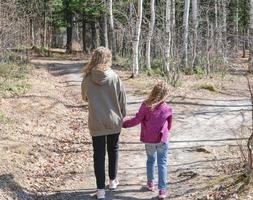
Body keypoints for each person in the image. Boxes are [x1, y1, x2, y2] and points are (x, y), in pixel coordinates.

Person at [81, 47, 126, 199]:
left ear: (94, 58)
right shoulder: (115, 77)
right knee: (113, 150)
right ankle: (113, 181)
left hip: (96, 121)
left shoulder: (87, 78)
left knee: (98, 155)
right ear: (108, 59)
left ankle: (100, 191)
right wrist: (121, 117)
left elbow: (84, 97)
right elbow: (122, 101)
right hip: (114, 121)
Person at [123, 82, 172, 200]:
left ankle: (150, 183)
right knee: (162, 163)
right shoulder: (167, 108)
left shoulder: (145, 105)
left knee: (150, 160)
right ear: (165, 95)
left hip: (149, 139)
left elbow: (136, 120)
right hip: (162, 139)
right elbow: (169, 126)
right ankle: (162, 190)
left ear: (153, 91)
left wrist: (124, 124)